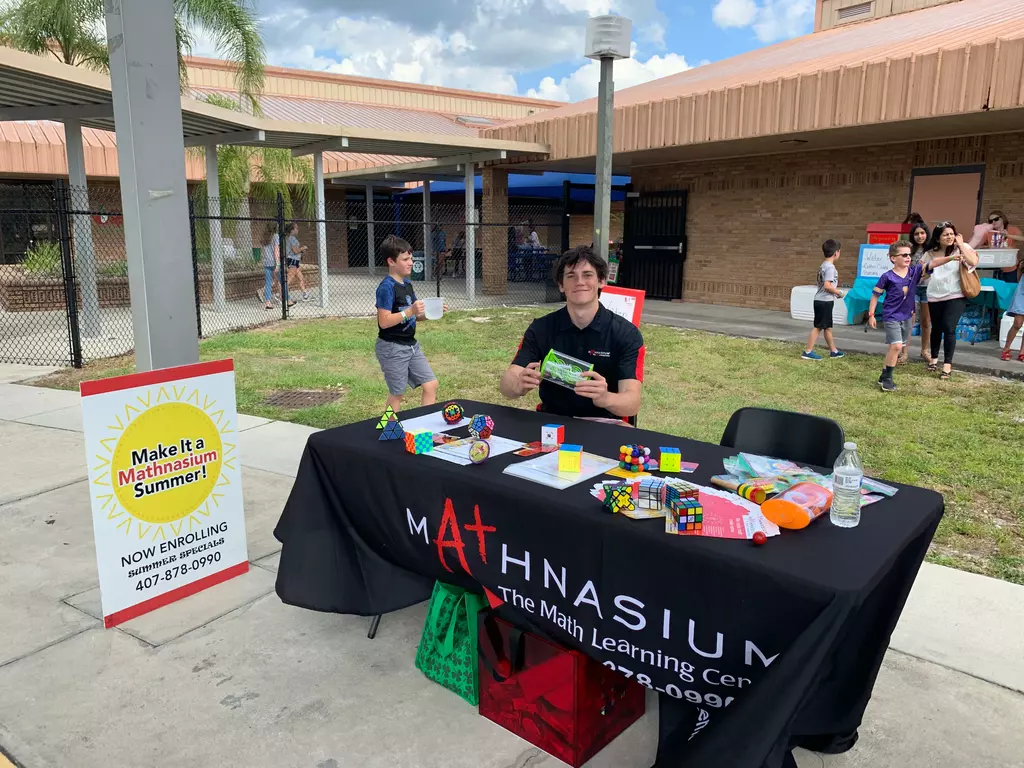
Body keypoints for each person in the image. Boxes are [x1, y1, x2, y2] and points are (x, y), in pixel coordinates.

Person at [500, 245, 642, 420]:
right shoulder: (541, 328)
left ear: (601, 281)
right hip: (553, 421)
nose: (580, 282)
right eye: (571, 276)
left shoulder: (626, 333)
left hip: (606, 423)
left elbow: (632, 403)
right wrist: (516, 385)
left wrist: (606, 398)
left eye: (587, 275)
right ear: (561, 285)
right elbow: (506, 384)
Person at [374, 234, 442, 414]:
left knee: (430, 384)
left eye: (411, 258)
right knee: (397, 393)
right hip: (392, 348)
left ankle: (425, 424)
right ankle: (388, 427)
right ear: (391, 261)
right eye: (405, 259)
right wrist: (410, 311)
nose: (411, 262)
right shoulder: (386, 287)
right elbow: (384, 321)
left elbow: (414, 316)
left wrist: (430, 314)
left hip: (411, 346)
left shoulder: (408, 284)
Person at [925, 222, 979, 380]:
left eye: (951, 234)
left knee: (949, 327)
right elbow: (923, 271)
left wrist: (961, 245)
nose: (949, 237)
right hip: (934, 294)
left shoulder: (963, 247)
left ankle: (947, 364)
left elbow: (973, 262)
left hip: (956, 294)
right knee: (936, 328)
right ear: (937, 238)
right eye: (945, 235)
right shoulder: (930, 253)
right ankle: (934, 358)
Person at [868, 241, 925, 392]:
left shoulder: (913, 272)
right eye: (904, 255)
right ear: (893, 258)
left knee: (894, 348)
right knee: (897, 346)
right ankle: (888, 379)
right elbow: (875, 296)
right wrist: (871, 314)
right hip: (891, 315)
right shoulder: (887, 276)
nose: (908, 257)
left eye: (909, 255)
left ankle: (883, 375)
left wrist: (951, 258)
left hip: (907, 316)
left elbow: (933, 264)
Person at [802, 239, 846, 360]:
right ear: (836, 253)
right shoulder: (830, 268)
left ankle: (833, 351)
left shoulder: (823, 265)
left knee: (827, 327)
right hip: (824, 301)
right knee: (818, 327)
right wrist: (839, 293)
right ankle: (807, 351)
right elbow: (827, 286)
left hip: (821, 300)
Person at [970, 210, 1023, 283]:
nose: (993, 222)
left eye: (996, 219)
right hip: (993, 267)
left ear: (1002, 219)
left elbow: (1022, 238)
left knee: (1010, 287)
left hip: (1009, 267)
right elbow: (977, 246)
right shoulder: (988, 232)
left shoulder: (1012, 229)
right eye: (990, 221)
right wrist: (988, 247)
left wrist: (1007, 235)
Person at [908, 223, 933, 364]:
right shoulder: (909, 250)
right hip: (912, 288)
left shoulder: (931, 250)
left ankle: (925, 350)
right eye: (916, 234)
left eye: (922, 233)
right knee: (909, 321)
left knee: (926, 321)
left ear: (927, 234)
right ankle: (904, 352)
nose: (919, 236)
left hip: (927, 288)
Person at [999, 259, 1024, 361]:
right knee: (1017, 324)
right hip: (1022, 294)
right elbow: (1019, 279)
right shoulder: (1022, 263)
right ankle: (1006, 348)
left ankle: (1022, 351)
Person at [283, 222, 311, 302]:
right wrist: (303, 248)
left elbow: (295, 251)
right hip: (293, 261)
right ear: (292, 230)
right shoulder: (292, 238)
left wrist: (301, 251)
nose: (298, 230)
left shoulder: (289, 238)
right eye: (296, 228)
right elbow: (295, 251)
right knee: (289, 279)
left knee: (300, 277)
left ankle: (305, 294)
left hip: (294, 260)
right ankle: (281, 295)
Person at [257, 222, 281, 310]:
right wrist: (277, 264)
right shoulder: (276, 236)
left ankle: (268, 303)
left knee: (268, 282)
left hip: (266, 262)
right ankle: (284, 299)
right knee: (280, 281)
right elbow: (276, 251)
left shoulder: (265, 237)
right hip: (274, 262)